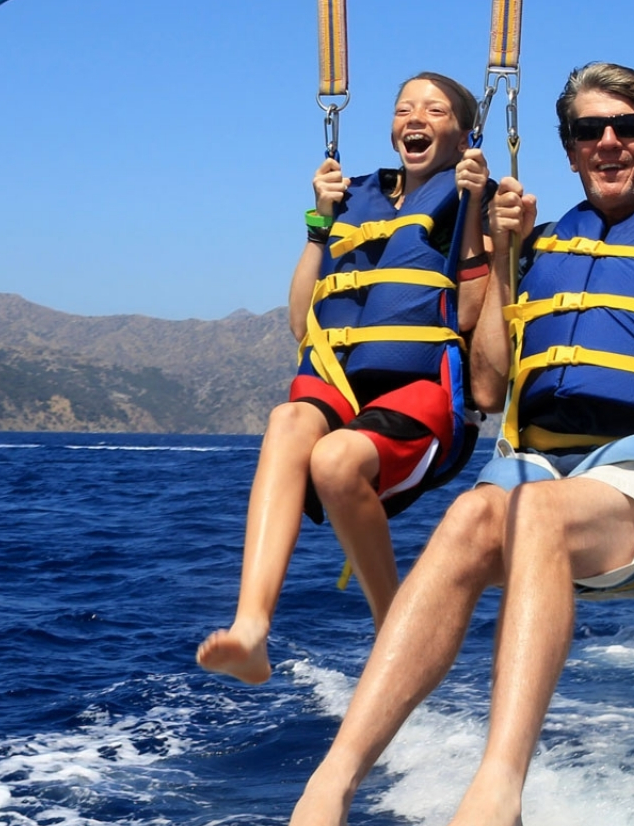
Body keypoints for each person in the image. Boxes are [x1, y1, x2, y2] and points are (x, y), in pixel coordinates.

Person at [260, 62, 634, 826]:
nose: (608, 141)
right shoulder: (539, 242)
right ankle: (334, 781)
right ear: (572, 149)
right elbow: (485, 387)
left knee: (531, 508)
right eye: (589, 130)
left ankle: (499, 803)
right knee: (475, 513)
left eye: (626, 126)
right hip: (535, 463)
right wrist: (506, 259)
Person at [197, 73, 491, 685]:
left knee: (333, 463)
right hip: (339, 380)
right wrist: (319, 224)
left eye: (435, 109)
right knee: (287, 420)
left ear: (463, 133)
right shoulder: (355, 197)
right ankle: (252, 627)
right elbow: (302, 322)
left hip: (419, 396)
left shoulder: (470, 199)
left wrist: (474, 210)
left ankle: (393, 630)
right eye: (404, 107)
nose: (416, 117)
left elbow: (468, 313)